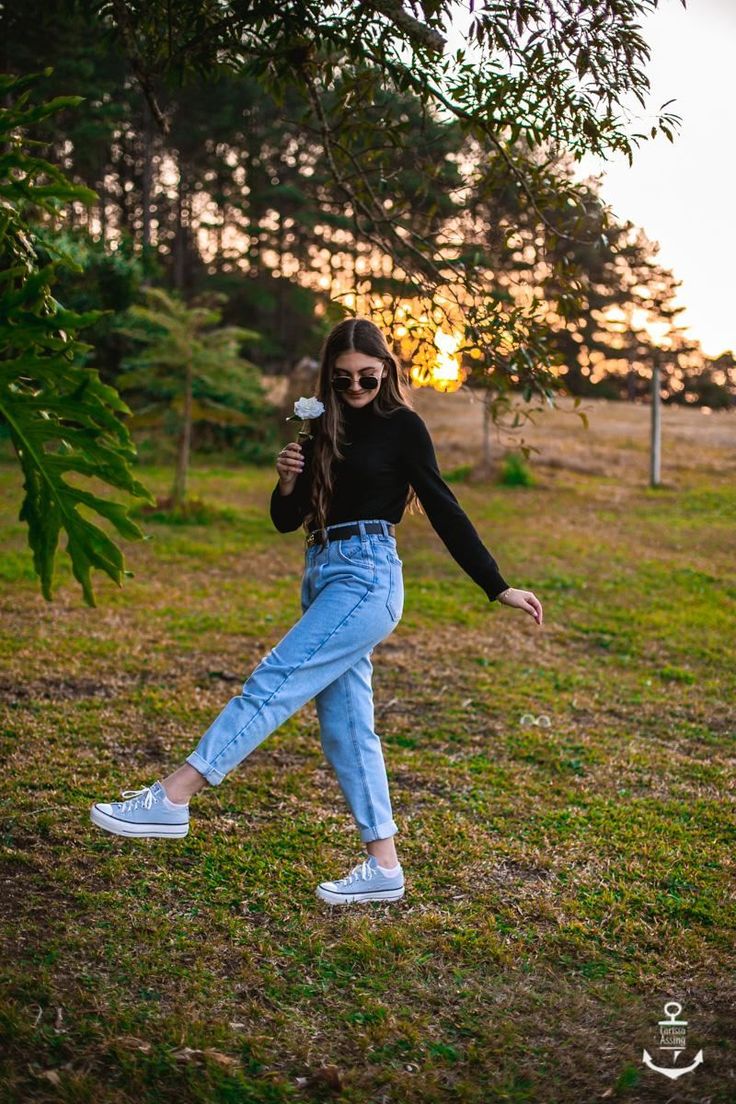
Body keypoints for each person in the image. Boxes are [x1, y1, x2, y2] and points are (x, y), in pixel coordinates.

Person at [90, 317, 543, 905]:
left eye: (369, 379)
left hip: (368, 575)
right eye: (345, 379)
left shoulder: (403, 427)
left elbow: (443, 505)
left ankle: (174, 797)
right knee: (348, 728)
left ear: (387, 373)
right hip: (324, 570)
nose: (357, 389)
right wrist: (285, 484)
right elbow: (287, 520)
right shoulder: (319, 428)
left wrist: (496, 585)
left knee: (275, 679)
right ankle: (384, 866)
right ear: (330, 379)